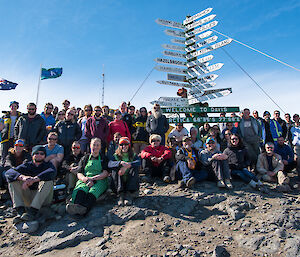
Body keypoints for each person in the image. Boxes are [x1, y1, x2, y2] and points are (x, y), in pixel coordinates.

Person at [5, 145, 56, 224]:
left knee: (48, 182)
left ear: (45, 155)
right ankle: (20, 212)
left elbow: (52, 172)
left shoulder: (48, 165)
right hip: (29, 197)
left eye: (41, 153)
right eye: (36, 153)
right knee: (13, 181)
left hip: (43, 198)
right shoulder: (27, 165)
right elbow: (9, 173)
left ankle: (32, 212)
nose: (39, 155)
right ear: (32, 155)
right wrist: (23, 178)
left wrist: (34, 179)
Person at [66, 138, 109, 215]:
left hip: (99, 180)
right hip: (85, 179)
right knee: (80, 190)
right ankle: (76, 206)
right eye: (93, 145)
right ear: (90, 145)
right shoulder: (85, 158)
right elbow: (79, 172)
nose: (95, 147)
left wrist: (93, 179)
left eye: (97, 145)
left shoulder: (103, 158)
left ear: (100, 147)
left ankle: (84, 209)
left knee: (93, 192)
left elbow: (105, 173)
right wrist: (85, 179)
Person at [108, 137, 140, 206]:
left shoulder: (133, 155)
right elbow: (110, 164)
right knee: (115, 168)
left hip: (130, 180)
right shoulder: (115, 155)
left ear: (129, 145)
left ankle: (129, 193)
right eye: (121, 145)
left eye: (126, 144)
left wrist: (129, 165)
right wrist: (120, 163)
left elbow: (138, 162)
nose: (124, 146)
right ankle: (120, 194)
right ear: (119, 146)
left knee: (134, 168)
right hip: (119, 182)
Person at [291, 114, 300, 187]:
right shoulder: (291, 126)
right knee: (297, 160)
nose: (295, 119)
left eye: (297, 117)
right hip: (295, 145)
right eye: (294, 117)